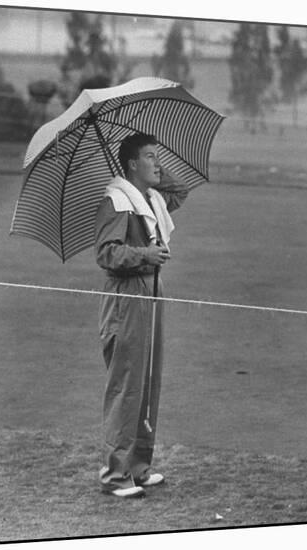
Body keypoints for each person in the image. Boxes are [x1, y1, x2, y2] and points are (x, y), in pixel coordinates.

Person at [94, 133, 189, 498]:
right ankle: (115, 475)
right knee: (127, 382)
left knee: (148, 379)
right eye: (150, 157)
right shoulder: (117, 201)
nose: (158, 162)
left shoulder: (148, 199)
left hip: (151, 289)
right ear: (132, 163)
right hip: (127, 294)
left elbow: (179, 191)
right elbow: (106, 255)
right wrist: (143, 255)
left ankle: (138, 465)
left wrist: (153, 172)